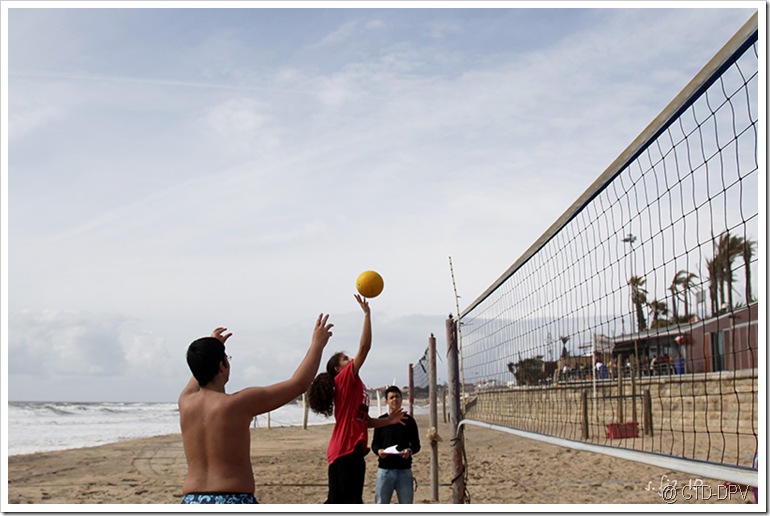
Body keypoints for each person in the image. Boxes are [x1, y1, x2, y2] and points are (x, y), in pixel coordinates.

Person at [178, 315, 334, 504]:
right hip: (233, 498)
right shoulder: (238, 403)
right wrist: (317, 344)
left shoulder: (185, 402)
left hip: (192, 501)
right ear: (222, 366)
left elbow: (198, 371)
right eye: (227, 359)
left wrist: (211, 347)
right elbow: (299, 384)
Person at [308, 294, 406, 504]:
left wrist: (388, 421)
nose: (350, 359)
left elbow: (364, 421)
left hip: (353, 452)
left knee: (351, 502)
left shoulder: (357, 385)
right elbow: (364, 348)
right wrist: (367, 314)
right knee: (341, 502)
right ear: (337, 369)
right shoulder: (344, 380)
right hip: (343, 451)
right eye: (345, 359)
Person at [371, 385, 421, 504]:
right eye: (392, 397)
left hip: (404, 470)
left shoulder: (409, 421)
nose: (395, 399)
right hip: (385, 469)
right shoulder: (381, 420)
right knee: (381, 503)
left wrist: (409, 451)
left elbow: (416, 445)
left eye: (397, 397)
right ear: (387, 401)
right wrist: (379, 452)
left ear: (401, 399)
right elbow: (375, 444)